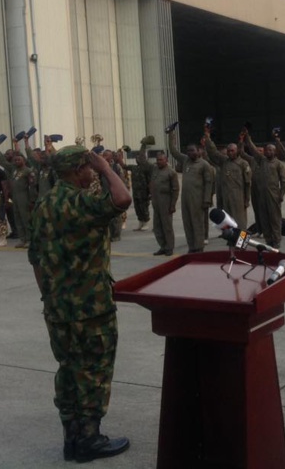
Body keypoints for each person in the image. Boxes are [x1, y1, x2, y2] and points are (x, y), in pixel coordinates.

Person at [28, 145, 132, 462]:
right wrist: (106, 168)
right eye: (87, 168)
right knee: (94, 371)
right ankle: (89, 439)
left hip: (57, 307)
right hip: (91, 307)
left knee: (69, 369)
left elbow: (34, 258)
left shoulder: (43, 204)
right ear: (77, 171)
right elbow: (122, 199)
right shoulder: (81, 202)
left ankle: (71, 438)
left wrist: (48, 295)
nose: (91, 172)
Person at [168, 128, 214, 253]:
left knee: (197, 223)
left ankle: (199, 246)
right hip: (185, 199)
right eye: (188, 151)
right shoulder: (185, 161)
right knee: (187, 222)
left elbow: (209, 183)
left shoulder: (204, 165)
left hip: (198, 199)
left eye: (192, 150)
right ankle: (191, 246)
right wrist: (171, 135)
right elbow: (173, 151)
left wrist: (207, 199)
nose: (190, 153)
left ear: (198, 151)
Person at [243, 132, 285, 249]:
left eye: (271, 150)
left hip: (273, 195)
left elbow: (283, 182)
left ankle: (277, 241)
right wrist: (248, 138)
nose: (268, 152)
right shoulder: (261, 160)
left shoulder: (278, 164)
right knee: (264, 218)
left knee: (275, 219)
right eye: (267, 150)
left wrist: (281, 195)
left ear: (275, 152)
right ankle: (268, 240)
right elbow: (252, 150)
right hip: (262, 196)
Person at [204, 128, 252, 230]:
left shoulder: (243, 164)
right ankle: (231, 242)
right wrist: (207, 137)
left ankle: (242, 242)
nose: (230, 153)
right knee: (228, 221)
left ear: (237, 151)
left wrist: (246, 199)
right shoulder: (224, 161)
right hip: (226, 198)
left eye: (232, 151)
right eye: (228, 151)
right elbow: (213, 152)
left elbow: (247, 184)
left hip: (238, 198)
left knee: (241, 222)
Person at [138, 149, 181, 256]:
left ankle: (169, 247)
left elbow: (175, 190)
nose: (159, 161)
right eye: (157, 160)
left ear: (166, 160)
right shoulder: (155, 169)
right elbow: (143, 162)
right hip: (156, 202)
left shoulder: (171, 172)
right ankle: (163, 246)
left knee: (167, 226)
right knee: (157, 226)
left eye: (161, 160)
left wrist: (173, 205)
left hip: (165, 202)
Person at [117, 140, 152, 231]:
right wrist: (119, 157)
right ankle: (140, 223)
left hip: (144, 192)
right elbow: (124, 166)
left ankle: (146, 222)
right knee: (137, 208)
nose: (138, 159)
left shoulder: (146, 167)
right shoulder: (134, 167)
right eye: (137, 158)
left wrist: (150, 192)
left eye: (140, 158)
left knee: (144, 207)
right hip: (136, 192)